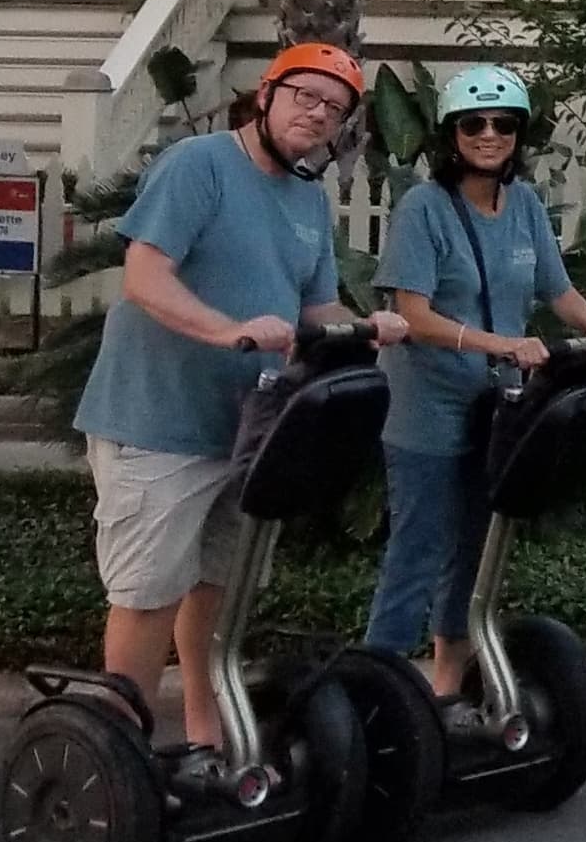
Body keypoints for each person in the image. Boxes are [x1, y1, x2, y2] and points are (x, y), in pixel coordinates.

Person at [72, 42, 409, 784]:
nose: (316, 115)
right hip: (155, 422)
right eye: (305, 97)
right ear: (267, 94)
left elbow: (314, 305)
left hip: (247, 432)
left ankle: (206, 743)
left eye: (334, 109)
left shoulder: (305, 202)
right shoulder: (199, 166)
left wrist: (367, 324)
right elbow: (144, 276)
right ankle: (117, 758)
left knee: (214, 591)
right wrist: (227, 330)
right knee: (148, 593)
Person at [364, 65, 586, 706]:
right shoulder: (423, 208)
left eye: (503, 124)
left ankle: (447, 691)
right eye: (474, 124)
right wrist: (502, 344)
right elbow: (413, 315)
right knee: (418, 548)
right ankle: (375, 691)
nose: (489, 135)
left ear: (519, 135)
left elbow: (554, 288)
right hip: (427, 406)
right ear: (451, 135)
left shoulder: (526, 206)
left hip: (498, 405)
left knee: (476, 552)